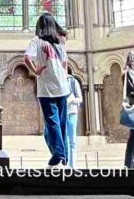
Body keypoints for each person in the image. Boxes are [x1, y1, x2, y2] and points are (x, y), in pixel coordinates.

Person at [24, 13, 69, 167]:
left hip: (47, 89)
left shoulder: (37, 41)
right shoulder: (60, 43)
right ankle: (63, 159)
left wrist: (35, 70)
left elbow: (26, 58)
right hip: (62, 87)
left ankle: (59, 156)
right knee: (61, 124)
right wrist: (62, 77)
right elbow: (65, 64)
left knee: (52, 122)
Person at [65, 73, 83, 169]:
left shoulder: (73, 81)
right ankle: (66, 163)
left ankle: (72, 165)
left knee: (72, 141)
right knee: (65, 140)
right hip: (62, 114)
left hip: (72, 114)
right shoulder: (58, 81)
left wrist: (71, 100)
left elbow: (80, 99)